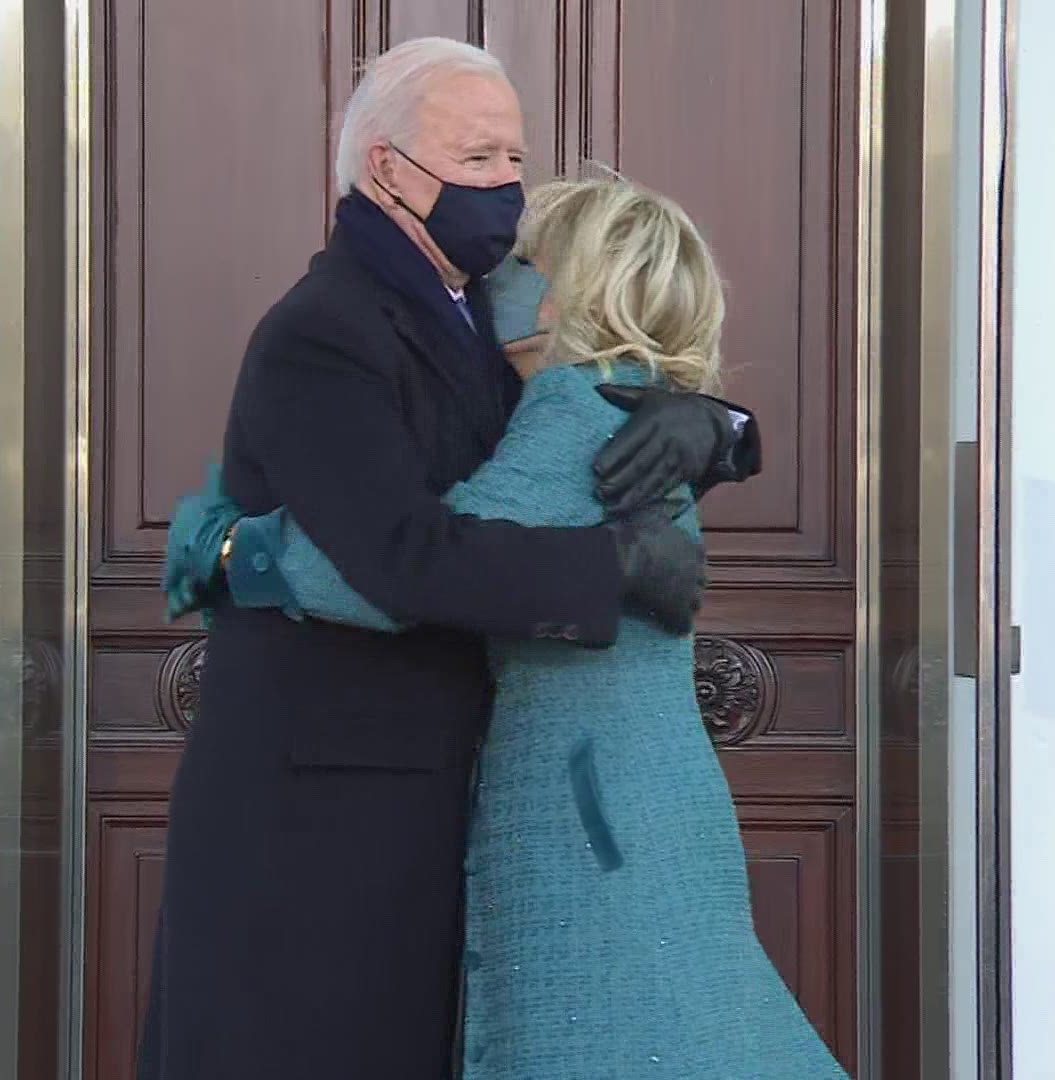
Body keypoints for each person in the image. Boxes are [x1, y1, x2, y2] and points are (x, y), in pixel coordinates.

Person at [137, 39, 765, 1080]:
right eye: (479, 160)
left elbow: (599, 378)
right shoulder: (327, 329)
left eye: (515, 160)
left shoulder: (474, 313)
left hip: (425, 800)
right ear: (388, 169)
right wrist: (610, 568)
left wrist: (718, 426)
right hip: (319, 822)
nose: (509, 188)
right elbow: (401, 557)